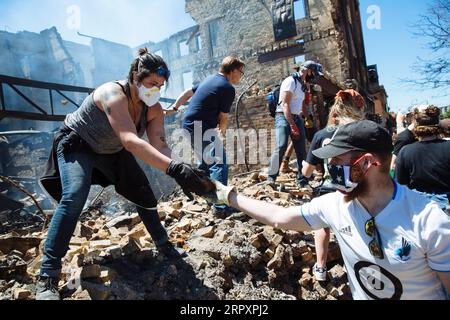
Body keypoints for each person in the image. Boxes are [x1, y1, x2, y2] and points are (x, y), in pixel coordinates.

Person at [37, 48, 213, 300]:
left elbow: (160, 144)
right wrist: (173, 169)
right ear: (134, 77)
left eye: (160, 85)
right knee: (75, 195)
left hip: (112, 150)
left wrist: (184, 170)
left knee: (143, 192)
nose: (155, 90)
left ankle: (164, 245)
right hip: (78, 143)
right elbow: (130, 139)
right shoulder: (112, 94)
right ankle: (47, 275)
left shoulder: (152, 107)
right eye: (151, 83)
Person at [211, 120, 450, 300]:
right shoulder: (335, 204)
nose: (330, 167)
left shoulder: (429, 221)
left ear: (366, 163)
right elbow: (279, 217)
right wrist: (226, 195)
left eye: (337, 161)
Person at [301, 90, 364, 281]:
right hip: (360, 189)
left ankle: (320, 267)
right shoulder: (363, 130)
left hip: (331, 188)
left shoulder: (322, 135)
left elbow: (306, 172)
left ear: (333, 113)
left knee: (321, 224)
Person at [173, 56, 245, 216]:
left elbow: (186, 93)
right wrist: (222, 134)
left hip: (189, 125)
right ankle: (220, 207)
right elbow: (223, 117)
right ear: (233, 70)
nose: (241, 75)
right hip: (201, 127)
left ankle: (204, 194)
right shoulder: (227, 88)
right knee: (219, 164)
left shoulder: (210, 79)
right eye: (241, 72)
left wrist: (174, 107)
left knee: (205, 164)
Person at [267, 61, 323, 188]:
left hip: (297, 117)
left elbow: (301, 104)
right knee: (281, 146)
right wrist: (292, 125)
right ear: (308, 70)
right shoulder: (290, 81)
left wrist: (306, 118)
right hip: (283, 117)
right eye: (313, 73)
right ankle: (271, 177)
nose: (314, 76)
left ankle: (302, 180)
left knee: (301, 150)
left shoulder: (303, 84)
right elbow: (285, 104)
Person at [395, 105, 450, 211]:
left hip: (419, 208)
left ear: (415, 124)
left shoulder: (406, 151)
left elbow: (401, 187)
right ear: (438, 123)